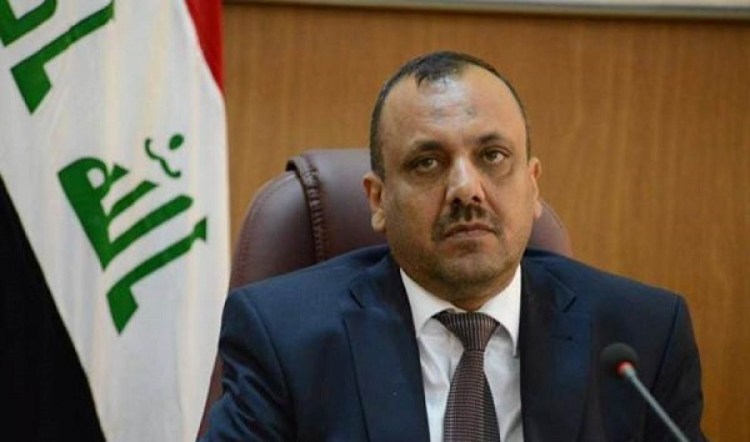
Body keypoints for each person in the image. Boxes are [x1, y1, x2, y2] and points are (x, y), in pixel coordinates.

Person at [200, 51, 705, 441]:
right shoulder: (284, 338)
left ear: (533, 186)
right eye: (427, 163)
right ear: (378, 200)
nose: (466, 188)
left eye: (492, 156)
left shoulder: (642, 339)